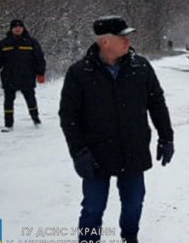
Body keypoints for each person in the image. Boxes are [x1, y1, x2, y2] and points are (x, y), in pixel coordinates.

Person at [59, 16, 174, 243]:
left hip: (133, 149)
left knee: (133, 203)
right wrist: (78, 151)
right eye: (122, 37)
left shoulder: (141, 67)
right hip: (95, 153)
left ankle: (129, 237)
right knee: (93, 207)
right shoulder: (80, 72)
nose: (127, 41)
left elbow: (157, 103)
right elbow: (68, 116)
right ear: (104, 42)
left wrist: (166, 137)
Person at [0, 19, 46, 132]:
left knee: (31, 99)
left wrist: (40, 73)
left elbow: (39, 58)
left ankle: (36, 120)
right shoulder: (3, 43)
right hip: (9, 76)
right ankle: (8, 124)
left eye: (20, 27)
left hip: (27, 76)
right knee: (8, 101)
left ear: (23, 28)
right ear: (11, 29)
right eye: (15, 27)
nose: (18, 29)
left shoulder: (31, 42)